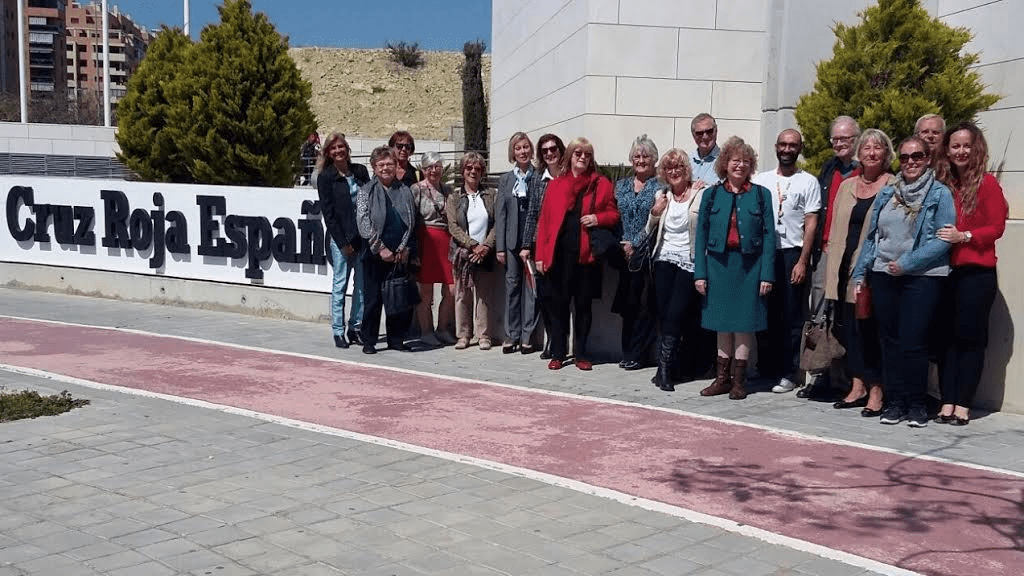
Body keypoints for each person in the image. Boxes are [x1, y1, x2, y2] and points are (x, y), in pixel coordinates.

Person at [852, 136, 955, 427]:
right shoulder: (888, 193)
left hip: (922, 278)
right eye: (906, 157)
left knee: (914, 342)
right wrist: (861, 273)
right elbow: (872, 238)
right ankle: (895, 403)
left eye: (917, 156)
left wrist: (908, 263)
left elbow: (943, 239)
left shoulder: (939, 194)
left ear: (927, 159)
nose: (911, 162)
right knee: (890, 342)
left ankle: (917, 404)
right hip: (884, 275)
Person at [934, 122, 1009, 425]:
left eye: (966, 145)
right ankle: (947, 400)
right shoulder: (944, 185)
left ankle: (964, 404)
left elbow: (996, 227)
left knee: (970, 338)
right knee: (945, 339)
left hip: (976, 273)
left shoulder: (987, 184)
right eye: (955, 146)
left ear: (975, 148)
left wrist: (964, 237)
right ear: (947, 150)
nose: (961, 151)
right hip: (945, 272)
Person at [694, 136, 775, 400]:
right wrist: (700, 273)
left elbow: (769, 238)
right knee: (721, 324)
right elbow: (701, 236)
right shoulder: (711, 194)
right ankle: (722, 379)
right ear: (725, 164)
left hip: (749, 266)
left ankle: (739, 381)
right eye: (734, 160)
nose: (740, 165)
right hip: (718, 265)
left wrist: (766, 274)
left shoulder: (761, 196)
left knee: (743, 324)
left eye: (745, 161)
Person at [825, 129, 896, 417]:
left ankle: (877, 389)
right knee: (848, 331)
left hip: (869, 269)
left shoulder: (893, 185)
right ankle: (857, 386)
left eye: (877, 148)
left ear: (886, 153)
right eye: (866, 147)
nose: (871, 152)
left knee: (869, 332)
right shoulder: (846, 185)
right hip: (841, 268)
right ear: (859, 153)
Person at [535, 137, 619, 371]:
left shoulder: (600, 183)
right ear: (570, 156)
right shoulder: (556, 185)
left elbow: (613, 214)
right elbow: (545, 223)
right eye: (578, 153)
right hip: (559, 256)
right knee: (558, 307)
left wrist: (597, 218)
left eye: (587, 154)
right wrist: (540, 256)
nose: (583, 157)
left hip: (586, 257)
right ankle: (559, 353)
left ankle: (581, 353)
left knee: (583, 307)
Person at [752, 129, 821, 393]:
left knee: (791, 317)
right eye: (783, 144)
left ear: (800, 148)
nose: (787, 149)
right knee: (764, 313)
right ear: (776, 147)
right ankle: (765, 369)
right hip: (765, 253)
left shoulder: (808, 182)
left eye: (792, 145)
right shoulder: (761, 180)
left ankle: (788, 372)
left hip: (793, 252)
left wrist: (803, 261)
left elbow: (811, 223)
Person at [803, 115, 861, 399]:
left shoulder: (865, 172)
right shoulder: (828, 170)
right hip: (824, 252)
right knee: (818, 316)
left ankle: (847, 379)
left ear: (856, 140)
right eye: (835, 139)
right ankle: (819, 375)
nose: (839, 144)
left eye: (845, 139)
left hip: (850, 254)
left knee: (846, 317)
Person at [645, 149, 705, 390]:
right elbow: (650, 228)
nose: (674, 172)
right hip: (662, 259)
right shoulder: (662, 194)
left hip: (688, 261)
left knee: (676, 314)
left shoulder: (701, 192)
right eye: (669, 168)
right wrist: (655, 212)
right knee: (663, 315)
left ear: (686, 169)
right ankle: (665, 368)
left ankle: (666, 369)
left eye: (678, 167)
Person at [356, 146, 419, 354]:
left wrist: (402, 248)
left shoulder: (405, 190)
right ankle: (369, 341)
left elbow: (411, 222)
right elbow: (363, 222)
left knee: (397, 298)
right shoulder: (366, 191)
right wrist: (380, 248)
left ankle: (396, 340)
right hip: (374, 255)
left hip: (400, 255)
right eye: (381, 165)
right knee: (373, 300)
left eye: (389, 164)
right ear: (374, 167)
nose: (385, 168)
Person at [316, 133, 370, 349]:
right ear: (328, 152)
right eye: (334, 148)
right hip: (341, 240)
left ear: (347, 149)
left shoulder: (360, 171)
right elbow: (328, 215)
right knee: (340, 285)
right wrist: (342, 242)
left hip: (363, 238)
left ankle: (355, 327)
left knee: (362, 286)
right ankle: (338, 331)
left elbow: (369, 201)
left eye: (341, 147)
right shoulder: (326, 177)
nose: (338, 151)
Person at [613, 135, 660, 370]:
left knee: (645, 306)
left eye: (646, 156)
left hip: (647, 255)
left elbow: (656, 222)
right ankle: (626, 351)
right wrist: (620, 244)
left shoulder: (660, 187)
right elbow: (614, 216)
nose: (641, 160)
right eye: (637, 156)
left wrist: (636, 245)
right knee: (627, 306)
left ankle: (638, 354)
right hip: (623, 254)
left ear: (654, 160)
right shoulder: (620, 185)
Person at [446, 152, 500, 350]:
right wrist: (471, 245)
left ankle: (484, 335)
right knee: (462, 295)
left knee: (484, 297)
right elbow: (452, 226)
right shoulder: (454, 197)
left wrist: (485, 246)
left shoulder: (491, 195)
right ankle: (463, 335)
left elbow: (497, 223)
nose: (473, 172)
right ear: (463, 171)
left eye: (477, 169)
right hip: (463, 254)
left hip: (485, 253)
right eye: (469, 168)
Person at [496, 133, 540, 354]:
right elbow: (500, 215)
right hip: (511, 243)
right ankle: (511, 334)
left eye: (525, 147)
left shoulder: (539, 177)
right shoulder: (506, 180)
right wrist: (500, 247)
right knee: (512, 287)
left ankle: (527, 336)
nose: (522, 151)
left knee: (531, 290)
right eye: (518, 148)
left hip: (532, 243)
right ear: (512, 153)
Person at [523, 134, 566, 359]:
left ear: (560, 150)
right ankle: (552, 339)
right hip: (540, 247)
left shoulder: (569, 176)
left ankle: (560, 343)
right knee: (545, 297)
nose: (550, 154)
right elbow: (531, 214)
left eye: (553, 149)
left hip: (563, 246)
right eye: (545, 151)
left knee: (562, 298)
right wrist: (525, 245)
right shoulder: (539, 179)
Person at [410, 152, 456, 347]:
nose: (433, 170)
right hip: (425, 241)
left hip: (446, 241)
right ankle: (426, 331)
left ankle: (443, 328)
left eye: (437, 166)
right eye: (429, 166)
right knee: (426, 291)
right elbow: (411, 218)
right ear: (422, 169)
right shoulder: (416, 189)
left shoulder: (448, 190)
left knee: (452, 289)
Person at [689, 113, 720, 189]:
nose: (705, 137)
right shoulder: (687, 161)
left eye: (709, 131)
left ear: (716, 131)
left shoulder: (726, 161)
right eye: (700, 133)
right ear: (693, 136)